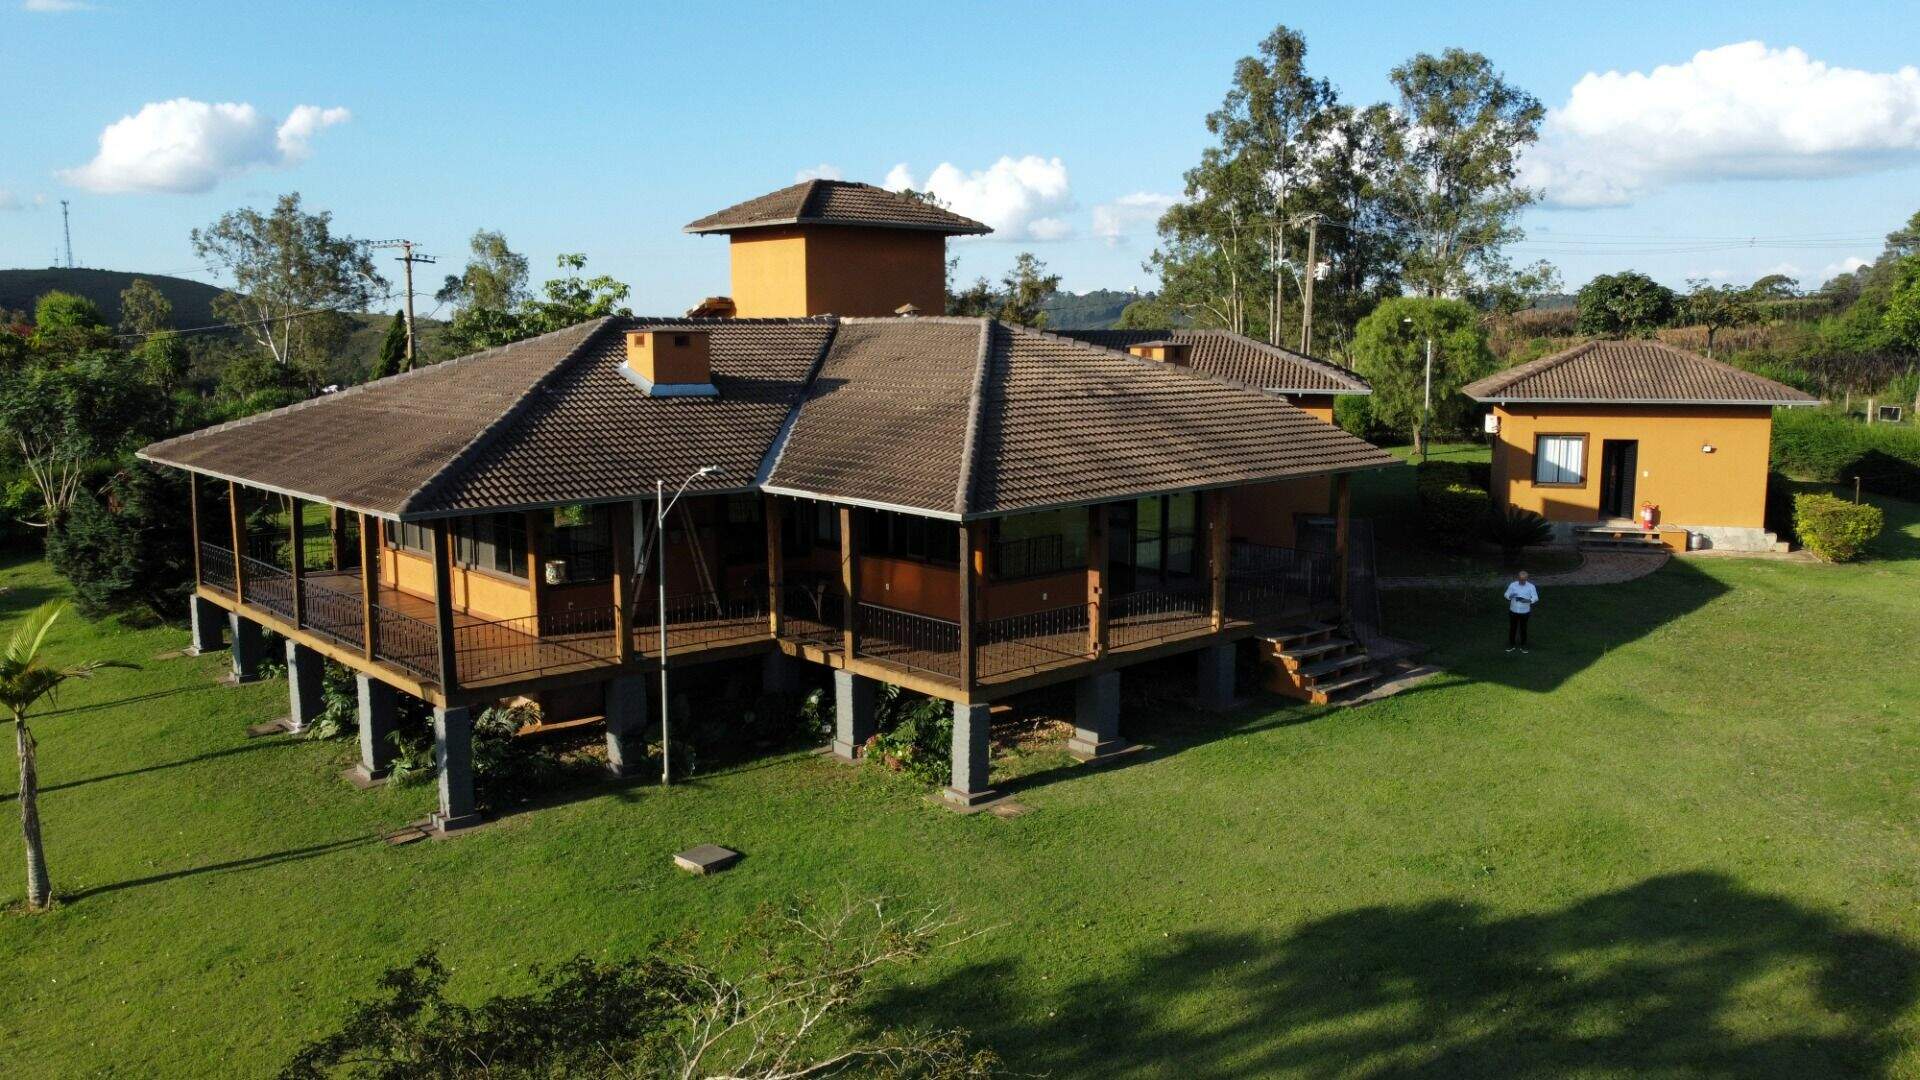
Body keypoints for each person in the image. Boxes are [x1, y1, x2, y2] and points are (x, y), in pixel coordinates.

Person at [1504, 570, 1538, 653]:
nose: (1522, 581)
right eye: (1520, 579)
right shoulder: (1513, 585)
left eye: (1524, 579)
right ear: (1518, 578)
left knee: (1523, 629)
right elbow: (1506, 594)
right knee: (1513, 628)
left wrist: (1527, 601)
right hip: (1513, 610)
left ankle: (1523, 646)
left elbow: (1535, 597)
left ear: (1527, 578)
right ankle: (1511, 645)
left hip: (1525, 612)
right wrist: (1510, 596)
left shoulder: (1531, 586)